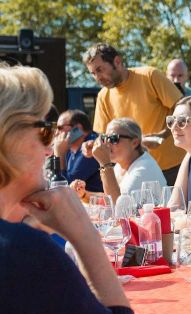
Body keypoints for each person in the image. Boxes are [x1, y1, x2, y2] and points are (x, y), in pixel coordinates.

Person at [0, 64, 148, 314]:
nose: (51, 146)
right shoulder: (20, 253)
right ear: (9, 141)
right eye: (44, 131)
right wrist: (83, 235)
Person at [84, 43, 184, 185]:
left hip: (174, 167)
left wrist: (164, 134)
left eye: (100, 70)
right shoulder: (103, 96)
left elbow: (183, 109)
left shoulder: (150, 76)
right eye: (93, 73)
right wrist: (93, 145)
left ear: (117, 61)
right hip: (135, 172)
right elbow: (104, 137)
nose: (97, 77)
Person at [72, 118, 167, 204]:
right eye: (105, 138)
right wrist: (84, 194)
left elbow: (117, 206)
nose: (107, 143)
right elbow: (109, 198)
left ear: (135, 142)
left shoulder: (144, 168)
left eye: (113, 139)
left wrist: (104, 164)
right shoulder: (120, 165)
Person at [52, 109, 104, 193]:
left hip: (95, 203)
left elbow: (66, 188)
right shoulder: (69, 148)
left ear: (77, 128)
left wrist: (59, 154)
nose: (56, 133)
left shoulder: (91, 147)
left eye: (60, 128)